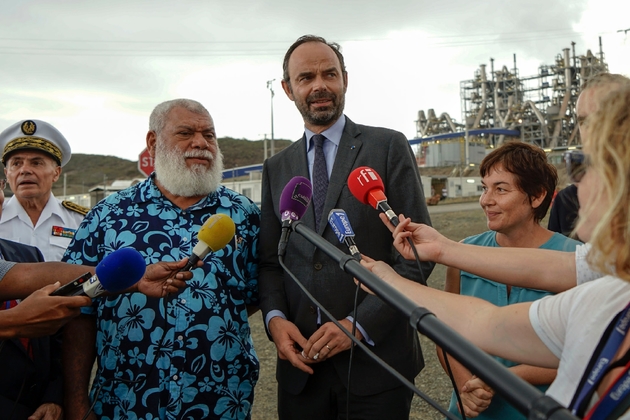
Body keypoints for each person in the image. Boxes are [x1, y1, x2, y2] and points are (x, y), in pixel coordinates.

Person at [363, 86, 630, 418]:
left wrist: (392, 278)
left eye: (582, 166)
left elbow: (492, 322)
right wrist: (402, 270)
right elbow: (483, 323)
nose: (576, 184)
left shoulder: (600, 289)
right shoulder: (606, 283)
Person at [259, 35, 433, 420]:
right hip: (302, 368)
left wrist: (358, 325)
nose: (319, 85)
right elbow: (272, 261)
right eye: (306, 77)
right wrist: (275, 322)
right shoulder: (276, 168)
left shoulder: (387, 146)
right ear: (288, 90)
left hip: (377, 365)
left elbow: (415, 258)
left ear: (345, 80)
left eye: (329, 74)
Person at [62, 99, 261, 420]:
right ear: (153, 142)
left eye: (209, 135)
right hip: (126, 403)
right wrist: (75, 402)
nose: (201, 143)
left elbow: (253, 294)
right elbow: (79, 310)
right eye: (186, 133)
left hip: (220, 401)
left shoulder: (245, 215)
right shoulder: (108, 215)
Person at [439, 142, 581, 420]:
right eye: (484, 188)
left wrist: (502, 378)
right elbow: (444, 336)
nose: (486, 200)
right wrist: (465, 386)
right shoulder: (463, 252)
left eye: (500, 189)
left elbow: (589, 354)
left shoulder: (574, 261)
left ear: (537, 196)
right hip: (472, 410)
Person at [0, 119, 89, 261]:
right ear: (7, 174)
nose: (25, 170)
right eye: (16, 163)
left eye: (36, 163)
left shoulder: (81, 221)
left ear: (56, 173)